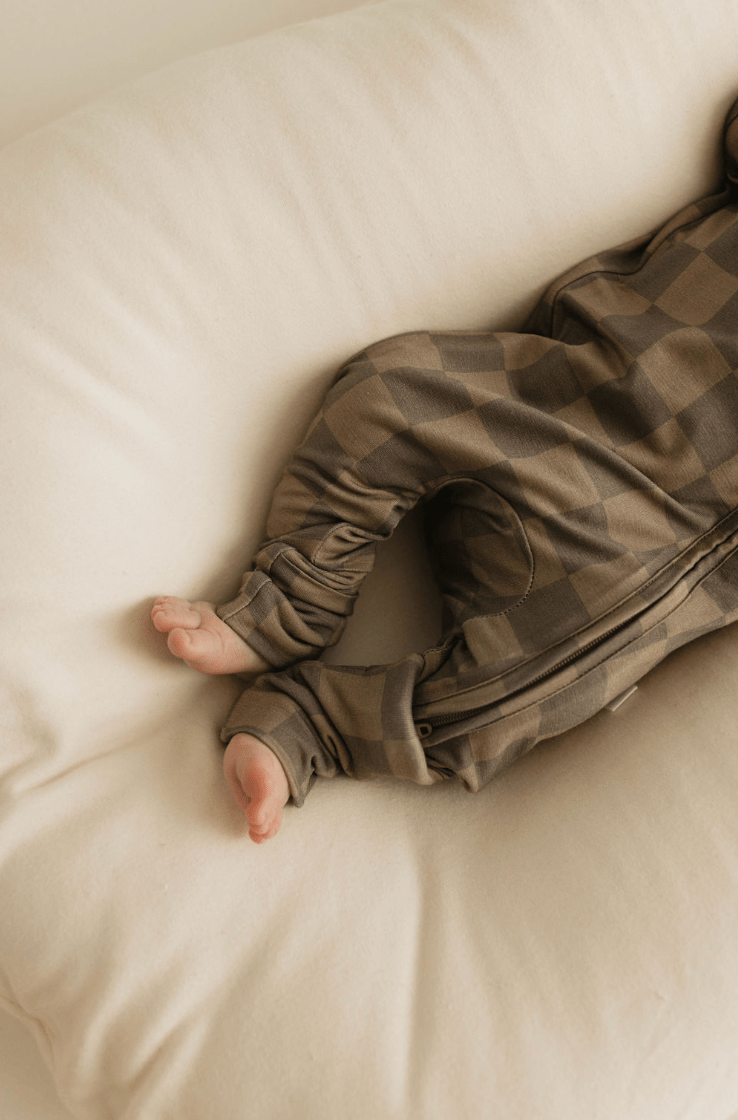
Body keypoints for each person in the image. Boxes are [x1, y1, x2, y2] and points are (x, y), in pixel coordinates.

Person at [152, 97, 738, 844]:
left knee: (513, 699)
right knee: (385, 390)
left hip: (651, 542)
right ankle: (292, 601)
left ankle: (318, 724)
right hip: (557, 395)